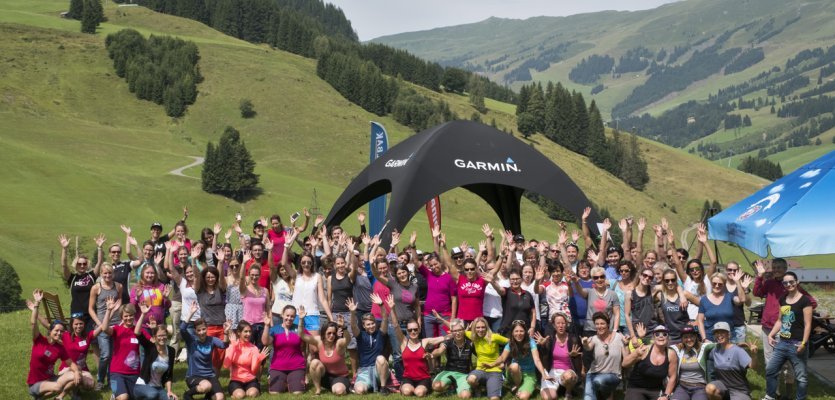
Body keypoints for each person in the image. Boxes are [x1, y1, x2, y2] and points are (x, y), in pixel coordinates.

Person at [754, 258, 817, 397]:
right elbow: (757, 293)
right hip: (769, 326)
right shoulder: (770, 283)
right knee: (770, 363)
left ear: (785, 268)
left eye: (779, 267)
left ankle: (788, 393)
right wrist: (760, 276)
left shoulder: (791, 285)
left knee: (789, 366)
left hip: (786, 331)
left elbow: (811, 302)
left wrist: (799, 315)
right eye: (774, 267)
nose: (776, 270)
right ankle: (773, 393)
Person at [26, 289, 83, 400]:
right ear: (50, 331)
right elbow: (33, 323)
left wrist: (76, 372)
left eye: (62, 331)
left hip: (50, 379)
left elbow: (71, 364)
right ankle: (39, 397)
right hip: (35, 384)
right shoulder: (39, 340)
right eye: (56, 331)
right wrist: (37, 304)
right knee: (58, 387)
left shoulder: (60, 348)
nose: (59, 333)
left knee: (75, 375)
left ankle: (48, 398)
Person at [391, 307, 449, 397]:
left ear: (419, 329)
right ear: (407, 331)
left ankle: (423, 387)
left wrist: (457, 332)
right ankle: (406, 387)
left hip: (424, 378)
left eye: (415, 329)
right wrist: (392, 308)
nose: (413, 332)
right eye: (410, 330)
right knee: (407, 391)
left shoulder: (424, 342)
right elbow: (395, 325)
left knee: (419, 393)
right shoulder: (403, 342)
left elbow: (443, 338)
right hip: (408, 378)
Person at [180, 301, 230, 400]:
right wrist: (191, 313)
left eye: (203, 329)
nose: (201, 332)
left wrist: (226, 332)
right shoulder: (191, 341)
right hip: (194, 376)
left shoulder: (211, 340)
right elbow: (182, 329)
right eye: (199, 330)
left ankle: (207, 397)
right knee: (206, 386)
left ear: (207, 328)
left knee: (220, 397)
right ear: (195, 331)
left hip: (210, 375)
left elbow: (224, 345)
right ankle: (187, 395)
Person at [263, 304, 316, 394]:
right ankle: (286, 382)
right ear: (282, 315)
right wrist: (267, 326)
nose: (289, 318)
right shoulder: (275, 329)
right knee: (275, 393)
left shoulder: (298, 329)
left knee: (297, 393)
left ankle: (292, 381)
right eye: (287, 315)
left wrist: (301, 320)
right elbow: (265, 342)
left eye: (292, 316)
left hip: (297, 366)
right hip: (278, 367)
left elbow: (312, 341)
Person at [490, 321, 551, 400]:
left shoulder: (531, 342)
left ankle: (521, 387)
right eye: (516, 331)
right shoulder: (510, 343)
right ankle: (517, 386)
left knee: (523, 397)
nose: (519, 334)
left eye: (521, 331)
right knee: (514, 366)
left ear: (525, 332)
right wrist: (492, 364)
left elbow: (537, 360)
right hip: (514, 373)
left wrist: (543, 374)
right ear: (512, 333)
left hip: (529, 374)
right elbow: (502, 358)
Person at [88, 262, 124, 389]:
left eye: (110, 273)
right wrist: (99, 323)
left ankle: (111, 379)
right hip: (101, 324)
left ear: (113, 274)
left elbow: (119, 300)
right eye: (105, 273)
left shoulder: (118, 286)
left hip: (116, 324)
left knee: (115, 354)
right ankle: (100, 379)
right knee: (105, 354)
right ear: (101, 274)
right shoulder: (96, 288)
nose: (108, 275)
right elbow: (91, 309)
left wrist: (117, 308)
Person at [59, 234, 101, 334]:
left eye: (84, 263)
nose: (82, 265)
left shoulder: (91, 275)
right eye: (79, 264)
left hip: (90, 314)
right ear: (75, 265)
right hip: (76, 314)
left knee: (92, 339)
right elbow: (64, 265)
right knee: (76, 339)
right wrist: (64, 248)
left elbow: (99, 262)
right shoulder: (72, 278)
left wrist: (99, 247)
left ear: (87, 265)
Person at [704, 322, 758, 400]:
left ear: (729, 334)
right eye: (717, 333)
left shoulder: (738, 351)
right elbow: (701, 349)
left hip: (739, 389)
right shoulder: (715, 350)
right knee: (709, 388)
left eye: (722, 332)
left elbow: (754, 367)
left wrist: (754, 355)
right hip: (722, 386)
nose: (719, 335)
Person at [622, 325, 678, 400]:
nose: (661, 336)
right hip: (637, 388)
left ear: (668, 338)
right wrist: (636, 354)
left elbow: (672, 377)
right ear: (653, 338)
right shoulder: (644, 350)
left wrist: (666, 395)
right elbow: (624, 364)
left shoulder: (671, 354)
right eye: (657, 334)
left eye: (664, 334)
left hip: (656, 390)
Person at [352, 294, 393, 395]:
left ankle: (383, 387)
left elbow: (385, 318)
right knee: (360, 390)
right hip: (364, 371)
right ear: (364, 326)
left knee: (381, 358)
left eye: (373, 323)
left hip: (379, 370)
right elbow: (353, 325)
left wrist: (381, 305)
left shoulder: (380, 333)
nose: (371, 326)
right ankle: (370, 385)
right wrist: (352, 313)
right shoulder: (360, 335)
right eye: (368, 324)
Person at [309, 305, 355, 396]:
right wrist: (301, 320)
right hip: (326, 376)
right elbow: (302, 335)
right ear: (324, 333)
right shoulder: (319, 341)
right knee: (314, 362)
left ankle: (342, 386)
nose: (331, 335)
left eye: (334, 333)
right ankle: (318, 390)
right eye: (329, 333)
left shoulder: (339, 343)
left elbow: (347, 340)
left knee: (339, 391)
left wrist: (344, 328)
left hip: (340, 377)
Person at [101, 301, 142, 400]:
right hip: (117, 372)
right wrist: (109, 310)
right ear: (121, 317)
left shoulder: (138, 331)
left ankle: (116, 395)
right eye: (126, 316)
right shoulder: (117, 329)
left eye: (131, 315)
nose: (128, 318)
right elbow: (104, 328)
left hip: (134, 373)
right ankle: (116, 395)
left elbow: (151, 342)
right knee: (124, 397)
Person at [535, 313, 582, 400]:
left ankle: (568, 391)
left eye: (563, 323)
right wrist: (542, 346)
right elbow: (541, 359)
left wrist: (575, 356)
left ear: (567, 324)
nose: (561, 326)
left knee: (568, 376)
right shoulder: (549, 339)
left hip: (567, 371)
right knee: (549, 397)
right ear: (553, 325)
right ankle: (559, 389)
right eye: (558, 323)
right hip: (552, 371)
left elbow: (580, 357)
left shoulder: (574, 339)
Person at [134, 309, 178, 400]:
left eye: (164, 335)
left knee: (172, 399)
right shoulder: (150, 347)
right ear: (154, 337)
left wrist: (169, 391)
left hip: (158, 388)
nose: (162, 338)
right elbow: (137, 333)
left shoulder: (171, 351)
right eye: (159, 336)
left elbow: (169, 374)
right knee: (152, 395)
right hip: (142, 386)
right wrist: (143, 314)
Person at [582, 312, 625, 400]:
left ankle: (607, 394)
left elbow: (627, 353)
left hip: (613, 375)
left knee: (599, 381)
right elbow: (588, 347)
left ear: (608, 324)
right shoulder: (593, 339)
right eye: (597, 324)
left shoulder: (618, 337)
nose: (599, 326)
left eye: (602, 323)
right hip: (593, 374)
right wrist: (585, 343)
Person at [465, 317, 509, 400]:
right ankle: (478, 388)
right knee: (471, 379)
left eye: (483, 327)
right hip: (480, 370)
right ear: (474, 328)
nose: (480, 330)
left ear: (487, 327)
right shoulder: (474, 336)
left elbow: (511, 342)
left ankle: (491, 385)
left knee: (494, 398)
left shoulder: (494, 337)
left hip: (495, 370)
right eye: (478, 327)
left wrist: (503, 358)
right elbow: (458, 331)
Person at [431, 318, 475, 399]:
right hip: (449, 371)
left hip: (464, 374)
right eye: (455, 331)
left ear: (464, 330)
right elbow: (440, 350)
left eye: (460, 330)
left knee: (465, 396)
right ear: (451, 332)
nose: (457, 333)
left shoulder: (470, 343)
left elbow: (480, 355)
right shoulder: (448, 342)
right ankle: (450, 385)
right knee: (436, 386)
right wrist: (433, 354)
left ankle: (455, 386)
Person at [224, 321, 269, 399]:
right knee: (240, 395)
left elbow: (254, 371)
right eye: (245, 331)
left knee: (252, 394)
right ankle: (236, 392)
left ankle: (251, 390)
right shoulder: (233, 345)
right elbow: (226, 365)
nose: (248, 334)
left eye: (250, 331)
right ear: (239, 332)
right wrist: (233, 346)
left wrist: (259, 360)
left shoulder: (253, 348)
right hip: (236, 380)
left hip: (250, 380)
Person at [484, 268, 535, 336]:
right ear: (509, 280)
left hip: (523, 332)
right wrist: (492, 281)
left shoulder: (528, 294)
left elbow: (533, 312)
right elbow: (500, 290)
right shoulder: (507, 292)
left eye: (517, 279)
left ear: (521, 279)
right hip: (508, 332)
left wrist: (532, 327)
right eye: (512, 279)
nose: (515, 281)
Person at [570, 266, 620, 336]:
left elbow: (617, 314)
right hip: (590, 330)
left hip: (608, 330)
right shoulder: (589, 292)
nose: (599, 279)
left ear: (605, 277)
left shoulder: (613, 294)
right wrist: (576, 282)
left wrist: (615, 330)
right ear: (592, 279)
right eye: (596, 277)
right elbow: (581, 291)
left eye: (602, 277)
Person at [696, 273, 746, 342]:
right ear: (711, 283)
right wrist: (704, 338)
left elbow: (742, 300)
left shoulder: (730, 297)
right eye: (714, 283)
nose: (717, 286)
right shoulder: (704, 300)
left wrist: (737, 283)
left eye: (720, 284)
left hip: (729, 339)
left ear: (724, 285)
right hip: (710, 339)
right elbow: (700, 321)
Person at [195, 266, 227, 372]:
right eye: (207, 277)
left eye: (212, 277)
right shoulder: (200, 290)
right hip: (208, 327)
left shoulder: (220, 289)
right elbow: (196, 276)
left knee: (219, 355)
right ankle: (206, 377)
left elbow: (222, 278)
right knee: (207, 354)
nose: (210, 279)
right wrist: (194, 260)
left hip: (221, 327)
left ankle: (215, 381)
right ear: (204, 278)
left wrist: (221, 262)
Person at [671, 326, 712, 400]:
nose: (689, 339)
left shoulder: (703, 347)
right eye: (685, 337)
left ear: (696, 336)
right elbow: (663, 346)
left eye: (691, 336)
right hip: (682, 387)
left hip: (700, 387)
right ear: (682, 339)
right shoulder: (679, 349)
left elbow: (718, 345)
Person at [239, 249, 268, 349]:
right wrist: (243, 263)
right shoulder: (244, 289)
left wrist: (269, 322)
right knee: (247, 350)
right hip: (248, 325)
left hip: (262, 324)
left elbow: (268, 308)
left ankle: (260, 365)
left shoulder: (265, 291)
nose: (254, 277)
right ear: (249, 275)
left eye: (256, 275)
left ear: (260, 276)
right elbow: (242, 278)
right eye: (252, 275)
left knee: (261, 352)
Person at [657, 268, 690, 343]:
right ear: (663, 281)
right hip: (669, 336)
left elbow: (703, 305)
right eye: (667, 280)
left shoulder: (684, 294)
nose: (670, 282)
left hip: (685, 336)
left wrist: (697, 320)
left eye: (673, 280)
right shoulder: (659, 296)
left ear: (676, 281)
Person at [625, 267, 658, 341]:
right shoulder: (630, 294)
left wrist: (681, 294)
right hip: (636, 331)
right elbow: (627, 315)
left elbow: (666, 287)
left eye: (650, 277)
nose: (647, 278)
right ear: (640, 275)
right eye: (645, 275)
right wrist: (633, 336)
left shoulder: (653, 291)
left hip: (652, 331)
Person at [723, 262, 752, 344]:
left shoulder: (742, 284)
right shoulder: (720, 284)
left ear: (738, 271)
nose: (732, 272)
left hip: (739, 325)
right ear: (726, 270)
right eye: (729, 270)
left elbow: (748, 303)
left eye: (734, 270)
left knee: (739, 352)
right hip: (724, 324)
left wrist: (745, 289)